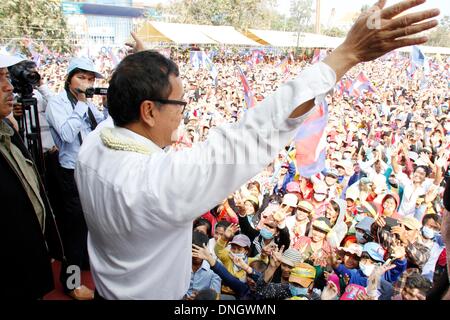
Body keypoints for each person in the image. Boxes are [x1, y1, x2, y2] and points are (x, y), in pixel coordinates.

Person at [74, 1, 440, 299]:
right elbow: (253, 132)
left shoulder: (92, 146)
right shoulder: (159, 184)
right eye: (179, 106)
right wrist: (346, 54)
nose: (183, 115)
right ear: (149, 111)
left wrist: (145, 65)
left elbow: (126, 105)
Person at [0, 54, 63, 299]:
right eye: (0, 78)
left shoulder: (9, 133)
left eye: (7, 76)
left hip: (27, 268)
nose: (9, 87)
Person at [46, 56, 108, 299]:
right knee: (74, 230)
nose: (87, 82)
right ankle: (71, 282)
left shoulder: (89, 105)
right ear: (69, 78)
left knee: (90, 225)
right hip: (70, 173)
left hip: (91, 170)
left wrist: (107, 106)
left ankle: (84, 263)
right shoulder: (57, 103)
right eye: (82, 77)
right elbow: (67, 134)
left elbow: (103, 129)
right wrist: (82, 103)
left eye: (91, 78)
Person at [184, 231, 221, 299]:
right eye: (193, 250)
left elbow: (216, 296)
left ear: (206, 249)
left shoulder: (214, 269)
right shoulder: (181, 266)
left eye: (199, 250)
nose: (196, 254)